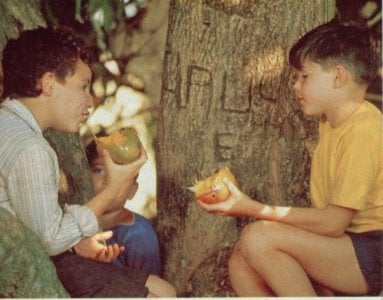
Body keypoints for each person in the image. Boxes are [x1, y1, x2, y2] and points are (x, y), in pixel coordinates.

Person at [198, 20, 382, 296]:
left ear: (339, 76)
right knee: (241, 259)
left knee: (258, 237)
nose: (295, 85)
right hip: (347, 245)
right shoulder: (330, 121)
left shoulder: (364, 130)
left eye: (304, 76)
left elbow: (333, 224)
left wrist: (251, 208)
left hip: (372, 251)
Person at [0, 26, 176, 297]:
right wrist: (110, 191)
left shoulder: (8, 123)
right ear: (48, 83)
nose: (89, 101)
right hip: (49, 263)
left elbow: (39, 225)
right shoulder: (30, 148)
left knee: (163, 289)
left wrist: (76, 243)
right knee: (161, 295)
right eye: (83, 86)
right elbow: (49, 239)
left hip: (52, 254)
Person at [85, 138, 162, 275]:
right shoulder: (74, 221)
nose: (109, 181)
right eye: (99, 170)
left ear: (132, 190)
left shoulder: (138, 236)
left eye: (121, 176)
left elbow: (150, 288)